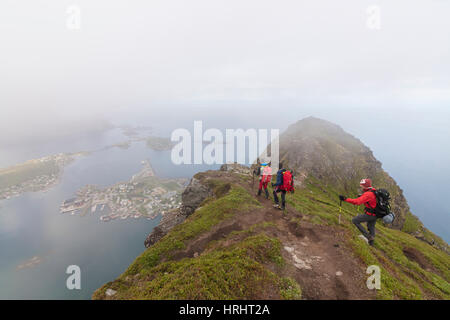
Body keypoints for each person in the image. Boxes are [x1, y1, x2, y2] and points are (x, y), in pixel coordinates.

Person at [339, 178, 377, 246]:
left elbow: (357, 202)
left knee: (355, 220)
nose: (361, 186)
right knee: (371, 226)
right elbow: (371, 200)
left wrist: (345, 199)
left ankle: (368, 237)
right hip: (376, 214)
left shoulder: (368, 194)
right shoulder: (373, 190)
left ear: (365, 186)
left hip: (370, 214)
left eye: (362, 185)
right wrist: (362, 196)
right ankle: (371, 244)